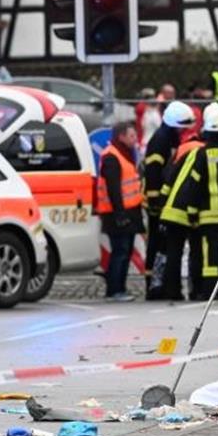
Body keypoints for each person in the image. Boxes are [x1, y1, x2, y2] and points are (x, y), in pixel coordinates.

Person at [158, 103, 218, 300]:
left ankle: (209, 292)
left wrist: (191, 212)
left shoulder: (202, 154)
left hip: (208, 216)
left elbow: (194, 185)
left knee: (210, 256)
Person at [142, 100, 195, 299]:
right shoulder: (160, 141)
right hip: (157, 203)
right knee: (156, 244)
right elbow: (153, 172)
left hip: (163, 201)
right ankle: (153, 285)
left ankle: (160, 284)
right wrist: (156, 202)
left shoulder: (169, 137)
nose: (184, 132)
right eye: (182, 127)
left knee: (162, 244)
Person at [95, 121, 145, 302]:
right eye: (131, 136)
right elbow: (114, 189)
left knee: (125, 251)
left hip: (127, 212)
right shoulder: (112, 156)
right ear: (121, 137)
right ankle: (114, 290)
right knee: (120, 251)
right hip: (117, 213)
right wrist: (120, 214)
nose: (135, 139)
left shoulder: (124, 154)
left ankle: (119, 288)